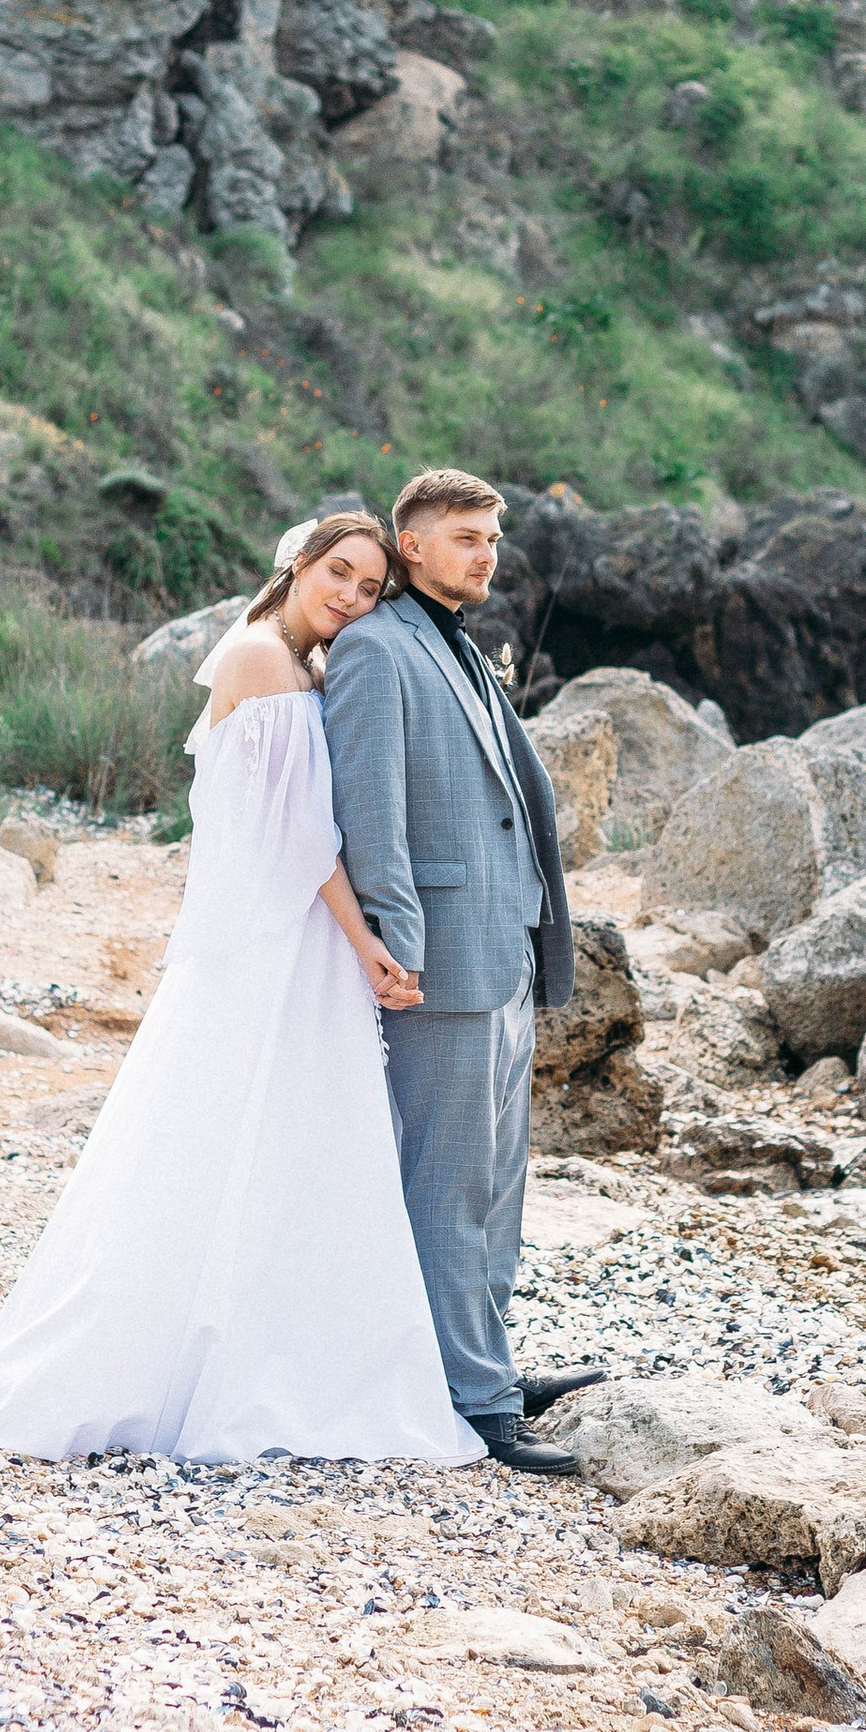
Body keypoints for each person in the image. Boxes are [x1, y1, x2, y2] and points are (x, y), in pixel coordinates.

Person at [0, 513, 484, 1469]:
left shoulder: (283, 656)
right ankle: (222, 1370)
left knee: (270, 1142)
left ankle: (265, 1347)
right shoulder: (267, 662)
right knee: (260, 1134)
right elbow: (302, 839)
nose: (352, 597)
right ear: (299, 564)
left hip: (274, 934)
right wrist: (367, 947)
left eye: (369, 588)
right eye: (340, 574)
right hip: (281, 944)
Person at [321, 469, 603, 1475]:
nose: (486, 555)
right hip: (436, 958)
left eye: (492, 539)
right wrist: (397, 944)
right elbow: (370, 812)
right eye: (467, 538)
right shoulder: (372, 650)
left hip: (501, 951)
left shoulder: (457, 642)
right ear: (410, 543)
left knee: (492, 1181)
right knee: (444, 1184)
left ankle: (482, 1362)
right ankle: (470, 1400)